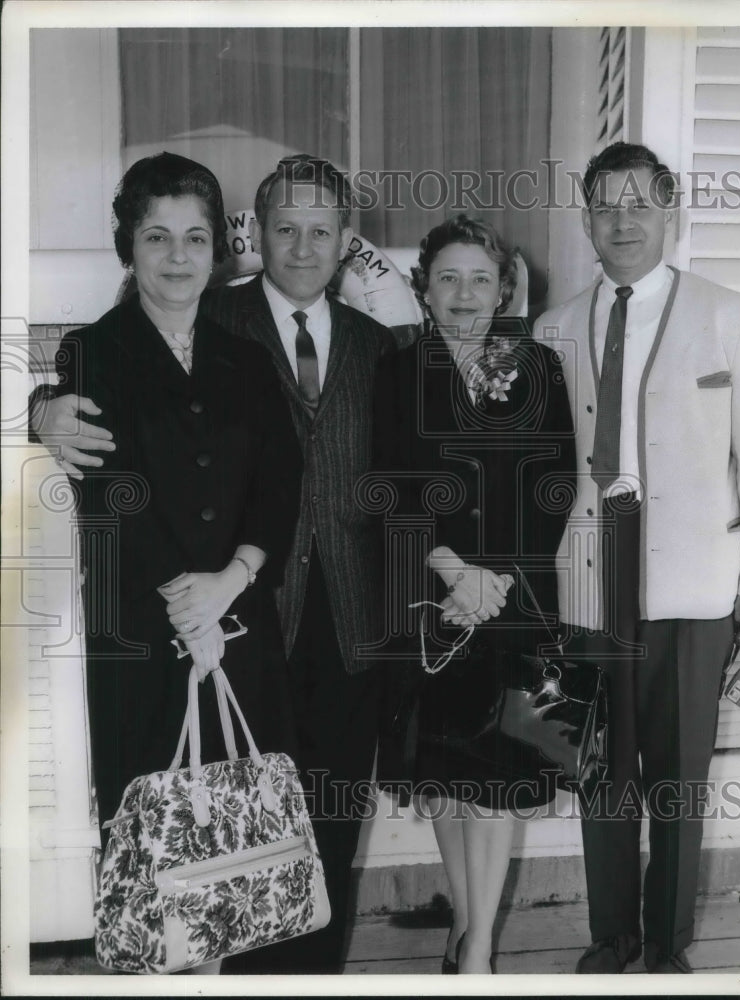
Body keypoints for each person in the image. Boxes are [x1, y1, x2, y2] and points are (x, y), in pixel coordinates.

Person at [33, 154, 394, 975]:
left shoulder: (249, 353)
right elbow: (107, 483)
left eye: (194, 236)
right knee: (162, 838)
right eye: (156, 236)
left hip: (255, 621)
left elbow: (279, 477)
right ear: (128, 244)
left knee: (261, 838)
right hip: (150, 634)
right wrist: (37, 413)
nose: (177, 254)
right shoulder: (102, 348)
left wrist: (232, 579)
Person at [532, 141, 740, 974]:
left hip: (694, 576)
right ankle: (612, 941)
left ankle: (667, 950)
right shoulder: (554, 326)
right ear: (587, 218)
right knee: (600, 768)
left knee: (677, 777)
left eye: (640, 203)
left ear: (670, 211)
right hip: (590, 576)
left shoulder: (730, 316)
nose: (623, 220)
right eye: (606, 205)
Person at [373, 215, 575, 973]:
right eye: (448, 278)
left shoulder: (539, 368)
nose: (465, 294)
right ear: (424, 288)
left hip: (512, 606)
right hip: (431, 604)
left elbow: (553, 486)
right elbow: (389, 484)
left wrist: (496, 583)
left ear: (504, 288)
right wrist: (453, 570)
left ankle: (481, 952)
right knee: (446, 783)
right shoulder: (397, 372)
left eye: (481, 279)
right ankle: (465, 920)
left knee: (493, 786)